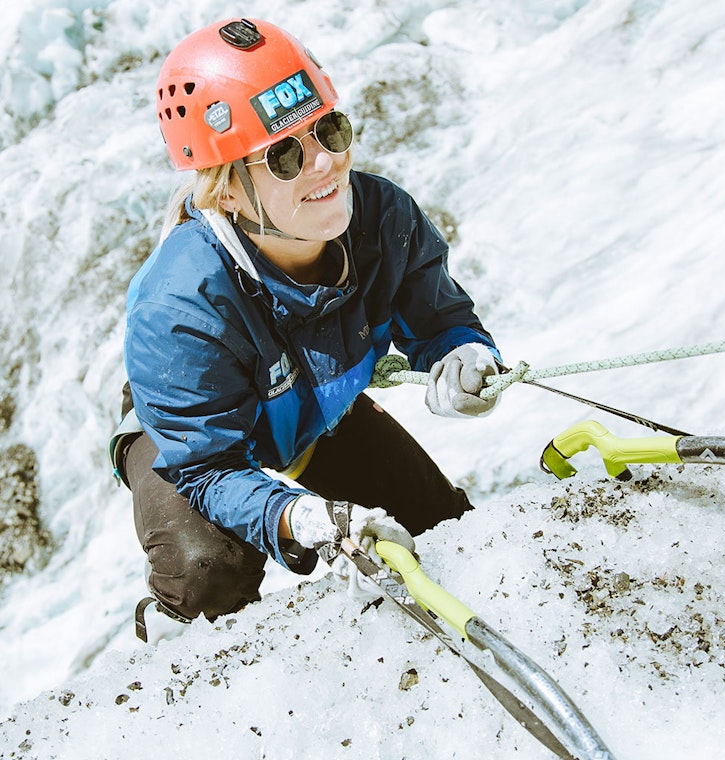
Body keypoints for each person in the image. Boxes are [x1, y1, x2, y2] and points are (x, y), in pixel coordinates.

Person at [112, 18, 504, 643]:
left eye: (329, 129)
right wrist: (297, 516)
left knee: (439, 529)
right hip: (193, 441)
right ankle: (173, 637)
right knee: (209, 571)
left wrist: (464, 353)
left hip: (311, 411)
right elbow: (208, 468)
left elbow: (442, 319)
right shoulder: (180, 307)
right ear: (226, 193)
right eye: (285, 156)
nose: (326, 163)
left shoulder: (382, 221)